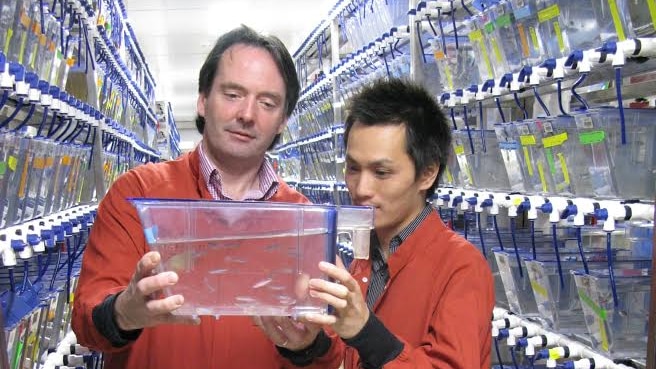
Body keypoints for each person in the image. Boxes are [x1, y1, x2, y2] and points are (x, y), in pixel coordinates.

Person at [71, 25, 342, 369]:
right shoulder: (137, 195)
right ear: (202, 101)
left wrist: (307, 345)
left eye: (267, 102)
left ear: (283, 121)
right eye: (232, 94)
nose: (246, 114)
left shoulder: (308, 222)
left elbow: (332, 350)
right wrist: (122, 312)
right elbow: (85, 321)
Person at [260, 78, 495, 369]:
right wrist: (309, 347)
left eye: (381, 172)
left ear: (427, 174)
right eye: (353, 168)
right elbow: (349, 358)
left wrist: (366, 332)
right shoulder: (366, 256)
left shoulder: (462, 267)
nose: (361, 188)